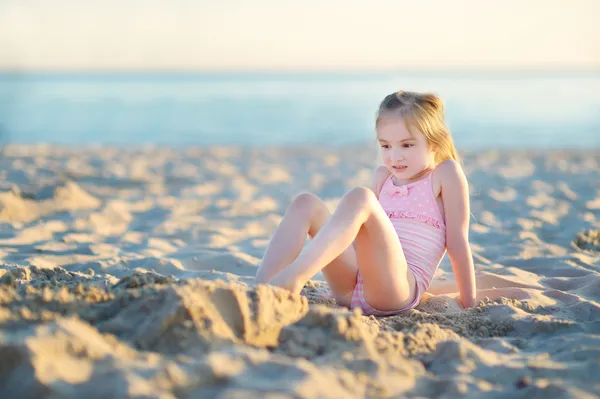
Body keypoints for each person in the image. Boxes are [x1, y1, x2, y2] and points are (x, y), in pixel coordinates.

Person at [255, 90, 477, 316]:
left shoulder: (445, 173)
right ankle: (262, 289)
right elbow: (357, 238)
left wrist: (468, 303)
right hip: (352, 289)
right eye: (386, 146)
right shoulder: (383, 177)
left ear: (434, 142)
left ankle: (294, 278)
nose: (395, 157)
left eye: (407, 145)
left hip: (396, 291)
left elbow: (458, 244)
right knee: (306, 203)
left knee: (361, 198)